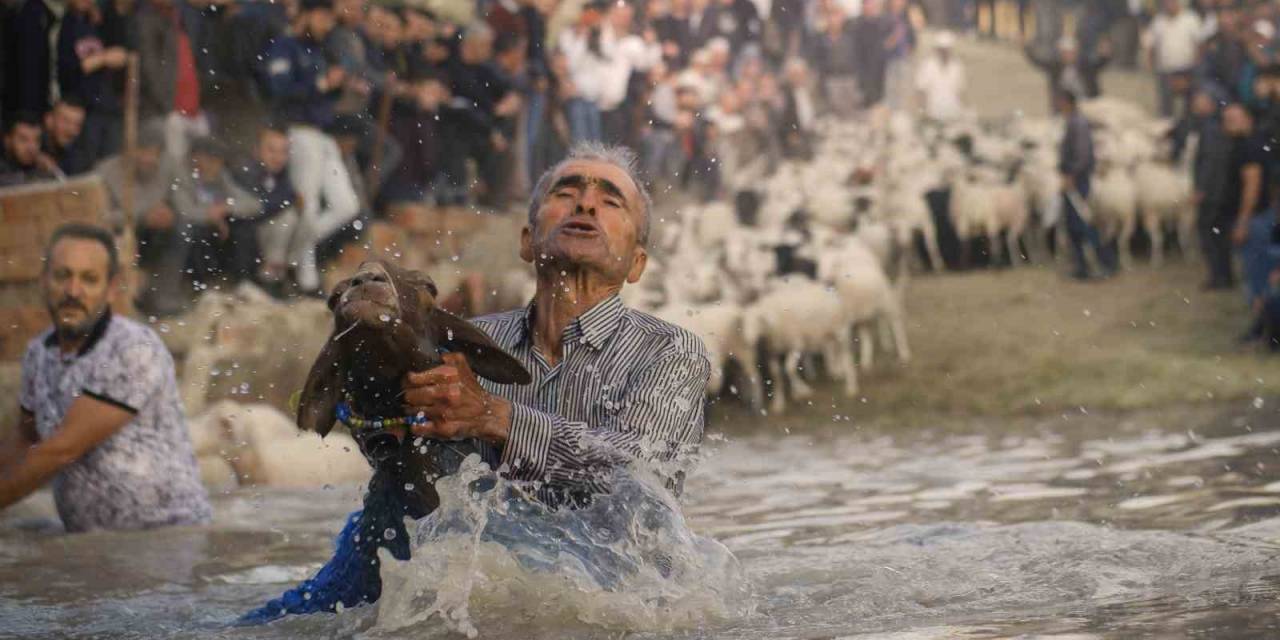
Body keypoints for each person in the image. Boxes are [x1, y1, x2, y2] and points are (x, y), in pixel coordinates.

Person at [241, 141, 710, 622]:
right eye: (566, 193)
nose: (586, 203)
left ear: (636, 264)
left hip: (607, 601)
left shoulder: (671, 352)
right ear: (528, 241)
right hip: (469, 590)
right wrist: (384, 412)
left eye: (611, 201)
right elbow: (407, 465)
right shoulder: (473, 340)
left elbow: (642, 469)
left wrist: (494, 416)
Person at [2, 224, 212, 532]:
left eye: (89, 279)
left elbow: (61, 450)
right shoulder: (39, 353)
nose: (73, 291)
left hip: (166, 537)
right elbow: (25, 439)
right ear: (43, 280)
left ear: (112, 288)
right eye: (63, 276)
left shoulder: (133, 349)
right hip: (89, 541)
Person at [260, 0, 361, 294]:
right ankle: (304, 277)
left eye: (329, 19)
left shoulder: (319, 50)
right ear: (305, 15)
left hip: (322, 133)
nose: (326, 24)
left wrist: (339, 85)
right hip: (297, 131)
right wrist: (319, 84)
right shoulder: (284, 46)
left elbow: (325, 95)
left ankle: (291, 255)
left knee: (346, 206)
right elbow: (279, 91)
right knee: (308, 204)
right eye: (321, 17)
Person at [1222, 104, 1276, 342]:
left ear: (1248, 119)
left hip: (1254, 221)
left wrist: (1243, 222)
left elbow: (1252, 186)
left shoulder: (1249, 147)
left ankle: (1261, 331)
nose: (1229, 124)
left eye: (1235, 119)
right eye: (1226, 120)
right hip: (1260, 218)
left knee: (1257, 278)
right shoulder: (1252, 144)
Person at [1057, 89, 1114, 280]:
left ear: (1068, 103)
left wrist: (1072, 174)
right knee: (1074, 224)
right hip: (1071, 179)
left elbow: (1082, 154)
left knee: (1083, 222)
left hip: (1077, 180)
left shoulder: (1078, 124)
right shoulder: (1072, 122)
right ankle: (1082, 266)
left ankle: (1104, 264)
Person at [1146, 0, 1205, 117]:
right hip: (1165, 70)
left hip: (1187, 69)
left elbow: (1200, 44)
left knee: (1189, 104)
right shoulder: (1158, 21)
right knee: (1166, 106)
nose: (1169, 4)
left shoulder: (1191, 19)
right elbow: (1150, 44)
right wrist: (1151, 64)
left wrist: (1197, 64)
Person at [915, 31, 967, 122]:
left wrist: (964, 112)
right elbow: (920, 90)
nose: (944, 52)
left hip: (953, 112)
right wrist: (922, 111)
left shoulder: (957, 66)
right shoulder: (928, 66)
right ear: (937, 50)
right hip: (933, 113)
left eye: (947, 49)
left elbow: (961, 92)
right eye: (942, 49)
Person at [0, 112, 60, 186]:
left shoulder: (42, 168)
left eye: (36, 140)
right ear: (7, 141)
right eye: (23, 139)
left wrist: (53, 170)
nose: (32, 147)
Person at [42, 99, 92, 176]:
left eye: (77, 125)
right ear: (49, 120)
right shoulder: (32, 147)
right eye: (66, 121)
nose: (71, 130)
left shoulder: (80, 159)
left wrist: (54, 171)